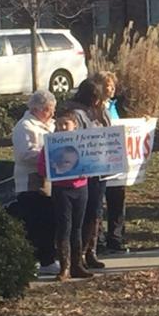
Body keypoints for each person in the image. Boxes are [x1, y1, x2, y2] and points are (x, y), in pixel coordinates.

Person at [40, 109, 92, 281]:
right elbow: (41, 167)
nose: (62, 127)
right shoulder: (51, 144)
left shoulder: (83, 142)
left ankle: (77, 265)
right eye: (59, 124)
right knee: (64, 227)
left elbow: (94, 161)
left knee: (77, 227)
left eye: (66, 124)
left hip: (81, 188)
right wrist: (51, 169)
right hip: (61, 189)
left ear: (74, 125)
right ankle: (65, 267)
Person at [12, 90, 58, 274]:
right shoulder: (25, 126)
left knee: (49, 220)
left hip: (50, 180)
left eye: (53, 109)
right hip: (30, 181)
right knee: (34, 221)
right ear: (36, 109)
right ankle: (35, 260)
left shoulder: (52, 125)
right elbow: (25, 154)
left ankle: (48, 258)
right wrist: (49, 154)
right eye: (48, 109)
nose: (52, 113)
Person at [68, 78, 110, 270]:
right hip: (86, 171)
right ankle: (79, 255)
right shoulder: (76, 114)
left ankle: (90, 251)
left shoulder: (99, 112)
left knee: (96, 211)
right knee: (86, 213)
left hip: (100, 169)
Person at [94, 71, 129, 255]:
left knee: (117, 198)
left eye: (113, 85)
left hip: (117, 159)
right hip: (100, 160)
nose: (112, 88)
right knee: (98, 201)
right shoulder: (93, 108)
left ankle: (115, 239)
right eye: (108, 85)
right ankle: (98, 241)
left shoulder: (118, 105)